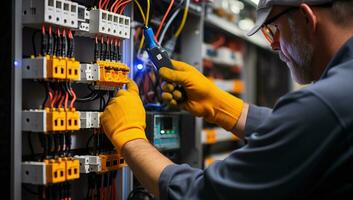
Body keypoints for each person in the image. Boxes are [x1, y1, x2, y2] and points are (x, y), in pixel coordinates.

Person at [101, 0, 353, 199]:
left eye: (274, 29)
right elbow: (305, 134)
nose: (275, 45)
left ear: (307, 19)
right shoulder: (339, 94)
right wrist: (221, 106)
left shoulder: (326, 104)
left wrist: (131, 137)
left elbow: (202, 195)